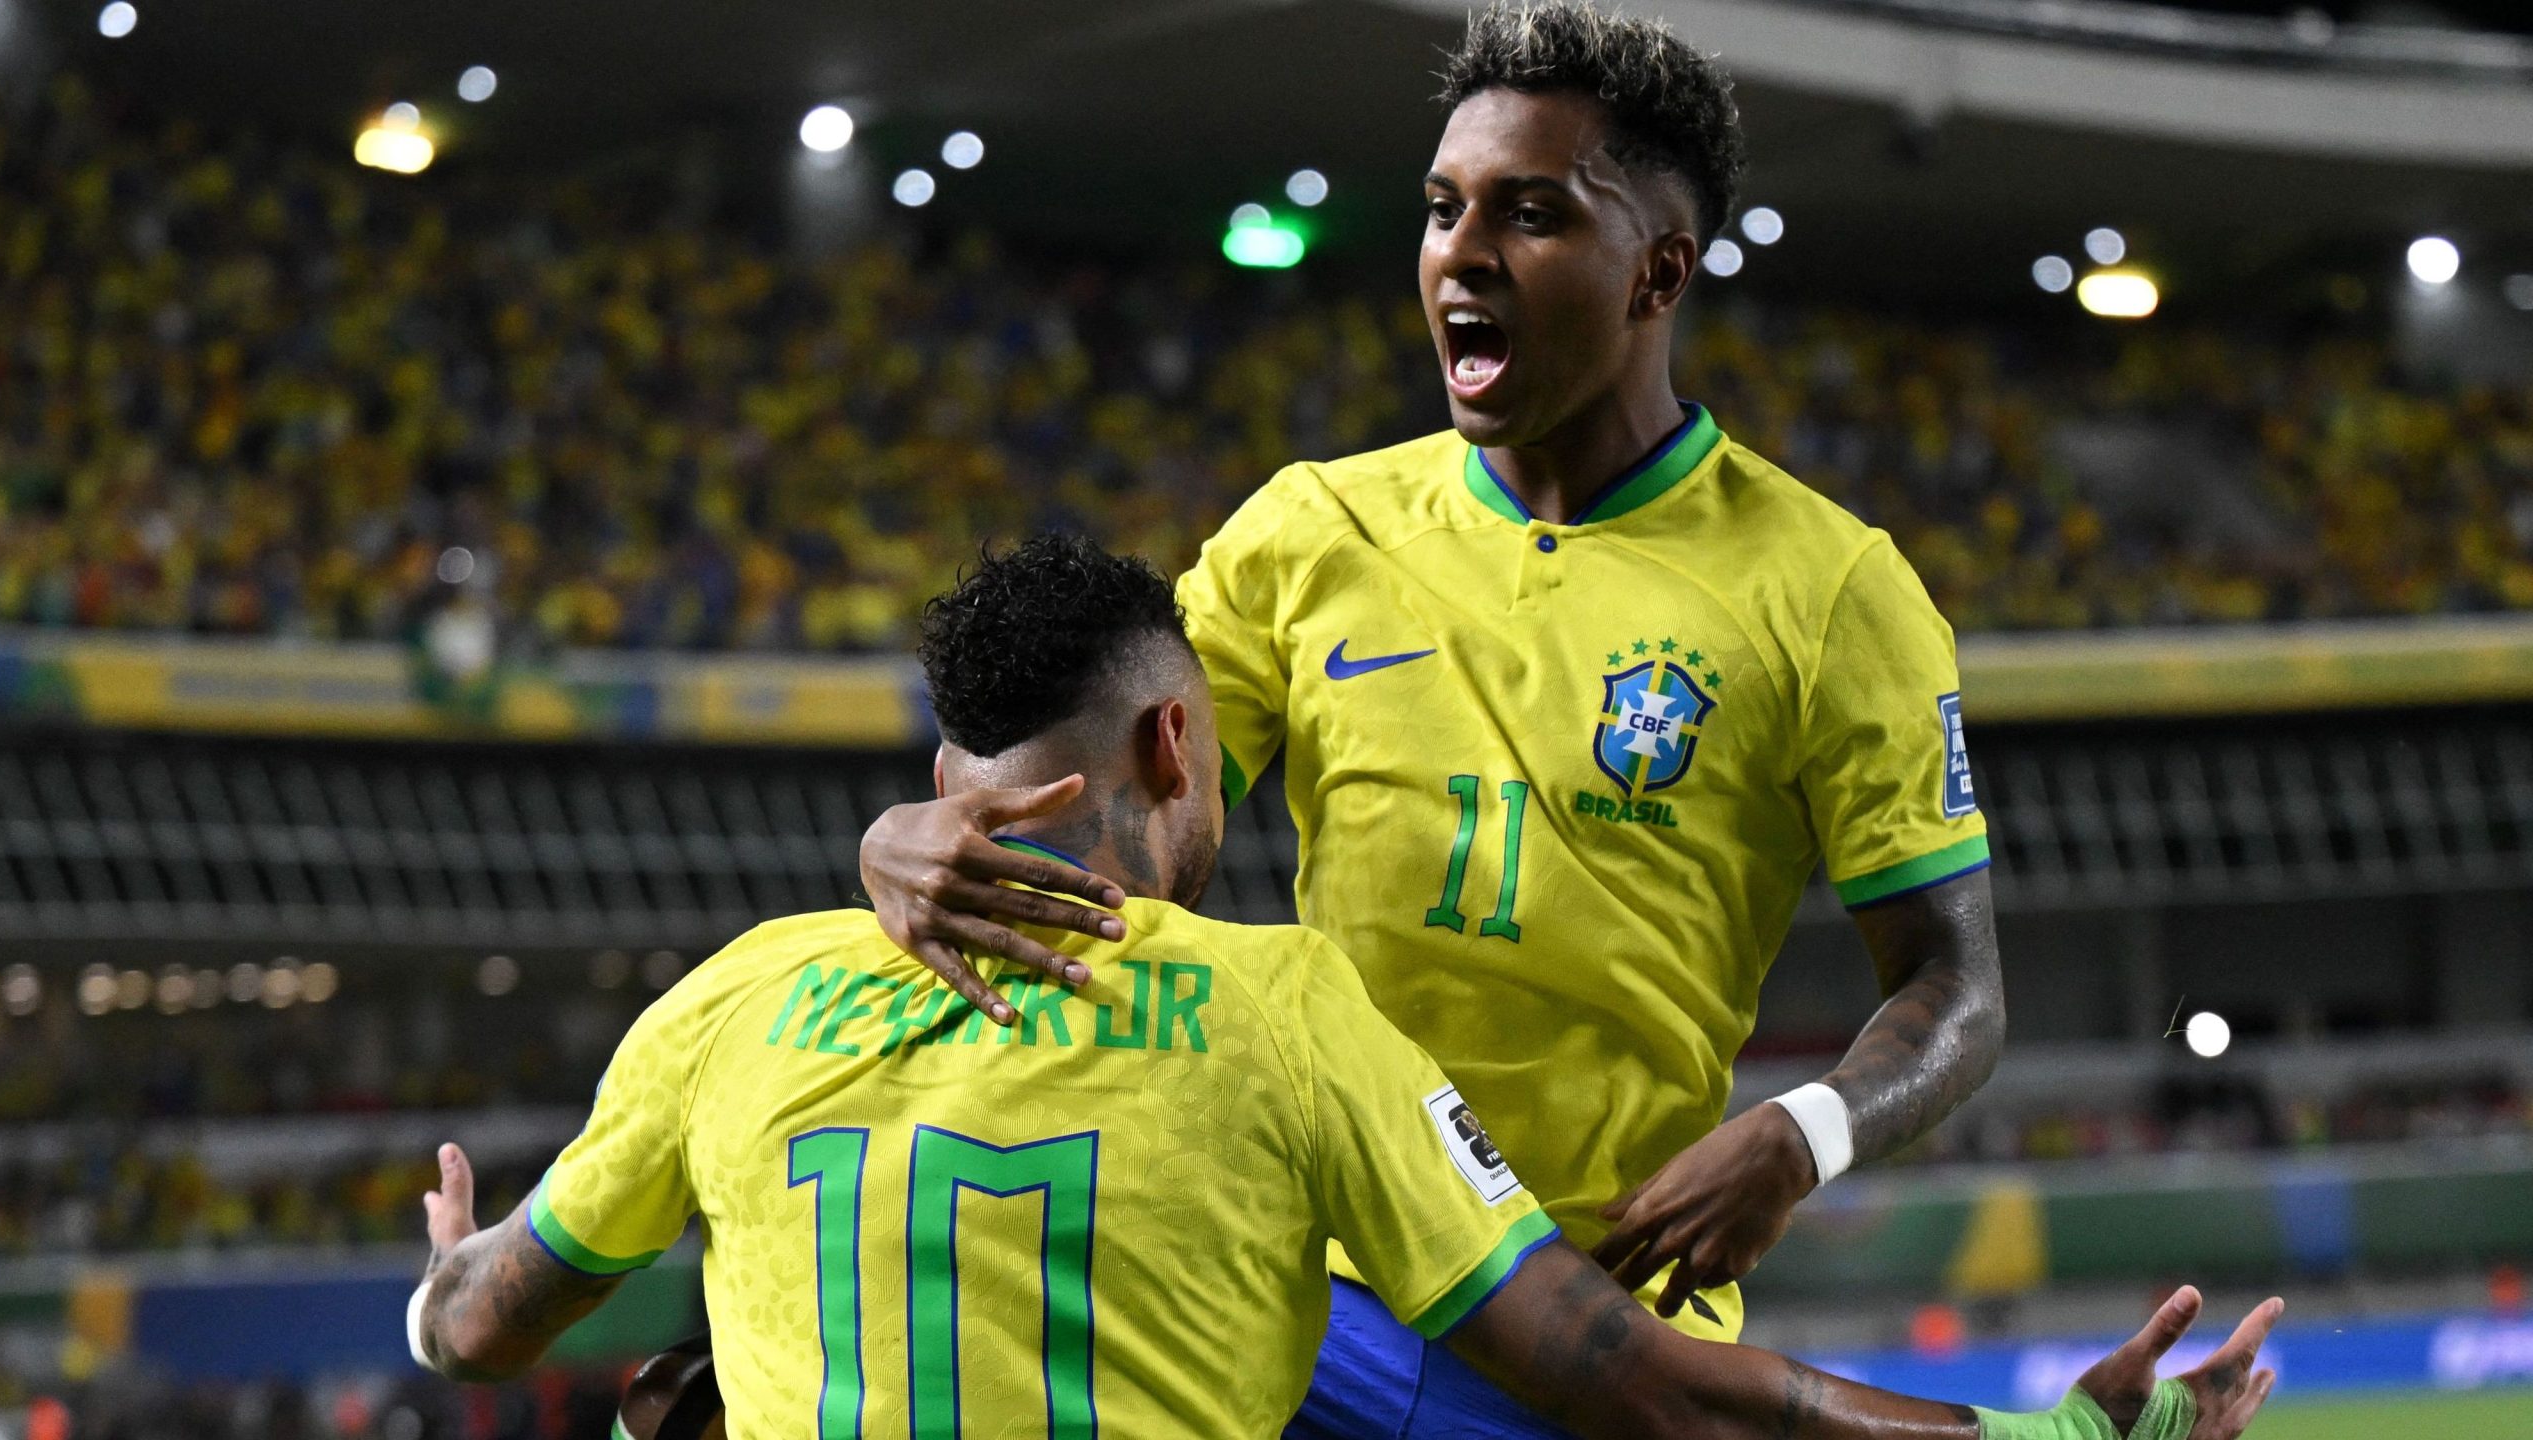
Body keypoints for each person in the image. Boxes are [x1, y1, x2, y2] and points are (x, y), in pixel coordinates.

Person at [410, 536, 2278, 1440]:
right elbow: (1642, 1389)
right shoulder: (1280, 1011)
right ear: (1176, 739)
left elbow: (483, 1325)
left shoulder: (737, 999)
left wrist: (438, 1286)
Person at [860, 4, 2007, 1430]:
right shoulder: (1310, 532)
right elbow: (1107, 824)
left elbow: (1956, 988)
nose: (1462, 252)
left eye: (1531, 214)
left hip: (1603, 1313)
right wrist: (928, 835)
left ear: (1658, 270)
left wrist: (1801, 1132)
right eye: (1444, 207)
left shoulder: (1832, 590)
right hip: (1313, 1286)